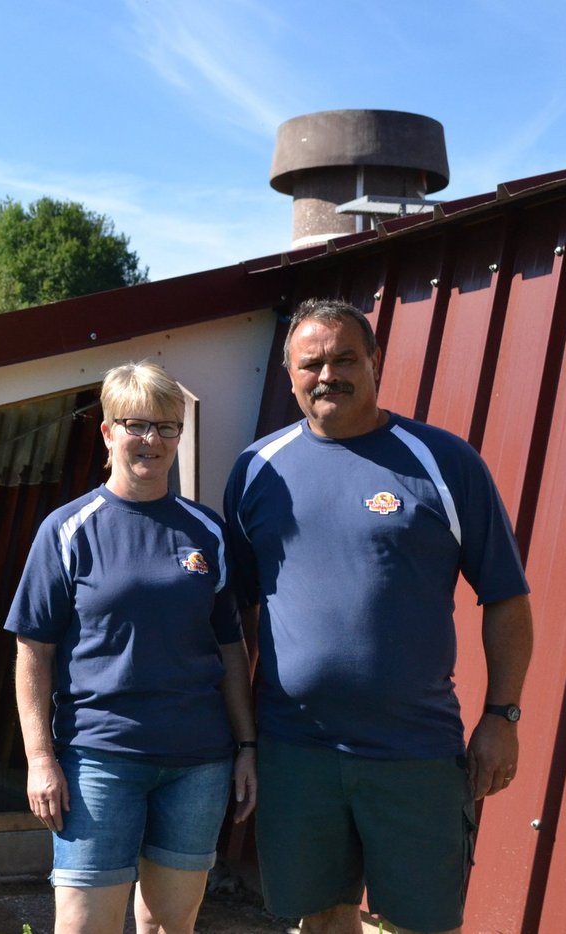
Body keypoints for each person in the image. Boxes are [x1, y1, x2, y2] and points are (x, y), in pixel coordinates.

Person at [223, 299, 533, 934]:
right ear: (290, 374)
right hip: (297, 750)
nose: (328, 374)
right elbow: (236, 615)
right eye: (311, 363)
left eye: (344, 358)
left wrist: (501, 717)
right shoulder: (257, 471)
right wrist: (244, 737)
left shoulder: (444, 463)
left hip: (414, 750)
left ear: (375, 362)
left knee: (423, 923)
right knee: (322, 919)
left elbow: (506, 596)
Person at [7, 361, 258, 934]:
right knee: (83, 926)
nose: (153, 440)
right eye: (136, 424)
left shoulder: (207, 531)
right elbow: (33, 651)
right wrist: (40, 758)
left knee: (171, 924)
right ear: (107, 431)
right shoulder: (68, 530)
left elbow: (229, 649)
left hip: (197, 762)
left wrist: (246, 745)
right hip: (99, 759)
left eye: (167, 427)